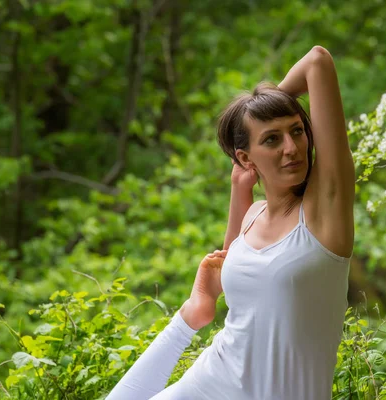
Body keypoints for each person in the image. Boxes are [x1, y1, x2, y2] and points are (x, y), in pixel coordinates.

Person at [106, 45, 354, 400]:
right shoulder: (252, 215)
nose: (291, 147)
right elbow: (235, 279)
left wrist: (268, 103)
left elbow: (318, 60)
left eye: (297, 131)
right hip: (211, 382)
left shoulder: (323, 214)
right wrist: (240, 190)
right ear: (244, 157)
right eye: (272, 139)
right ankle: (188, 318)